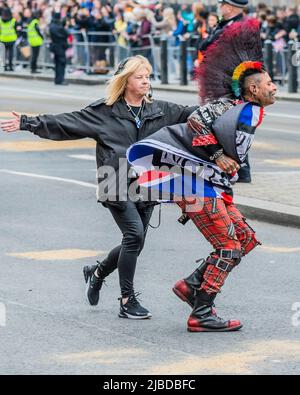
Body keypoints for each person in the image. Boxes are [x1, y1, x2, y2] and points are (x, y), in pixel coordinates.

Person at [0, 55, 197, 320]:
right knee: (134, 236)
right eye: (140, 77)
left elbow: (193, 115)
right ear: (125, 80)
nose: (146, 82)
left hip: (147, 183)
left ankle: (96, 272)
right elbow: (65, 122)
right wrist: (26, 122)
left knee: (135, 243)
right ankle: (127, 300)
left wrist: (227, 105)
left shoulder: (160, 110)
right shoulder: (105, 112)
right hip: (113, 180)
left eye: (148, 76)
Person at [127, 19, 277, 332]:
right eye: (268, 83)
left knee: (245, 240)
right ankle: (202, 312)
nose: (274, 86)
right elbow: (196, 121)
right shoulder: (229, 105)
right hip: (193, 186)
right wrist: (218, 156)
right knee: (229, 247)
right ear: (253, 89)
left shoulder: (251, 109)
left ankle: (192, 284)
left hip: (214, 187)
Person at [198, 0, 253, 183]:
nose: (219, 8)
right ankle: (236, 169)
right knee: (226, 125)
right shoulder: (226, 25)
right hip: (224, 81)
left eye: (222, 4)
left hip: (233, 83)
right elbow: (204, 46)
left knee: (232, 126)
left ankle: (241, 170)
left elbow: (208, 46)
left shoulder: (238, 26)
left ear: (228, 7)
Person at [49, 12, 69, 85]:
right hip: (60, 46)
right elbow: (66, 34)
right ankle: (60, 80)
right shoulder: (58, 26)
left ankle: (57, 79)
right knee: (61, 63)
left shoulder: (52, 25)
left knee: (57, 64)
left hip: (55, 46)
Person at [0, 7, 17, 71]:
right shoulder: (13, 20)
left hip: (3, 39)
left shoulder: (0, 20)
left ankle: (5, 67)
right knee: (10, 54)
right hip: (11, 39)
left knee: (4, 54)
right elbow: (16, 29)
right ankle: (10, 66)